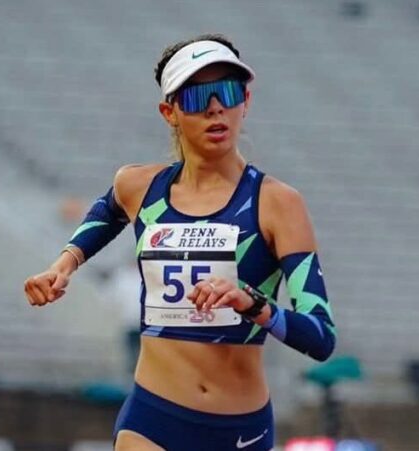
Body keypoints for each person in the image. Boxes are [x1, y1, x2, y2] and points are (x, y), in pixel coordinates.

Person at [24, 34, 336, 451]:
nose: (214, 108)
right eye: (196, 97)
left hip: (239, 429)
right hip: (154, 417)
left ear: (246, 100)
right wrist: (64, 264)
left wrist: (254, 305)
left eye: (226, 92)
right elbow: (106, 212)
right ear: (169, 111)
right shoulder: (138, 186)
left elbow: (320, 336)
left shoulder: (278, 204)